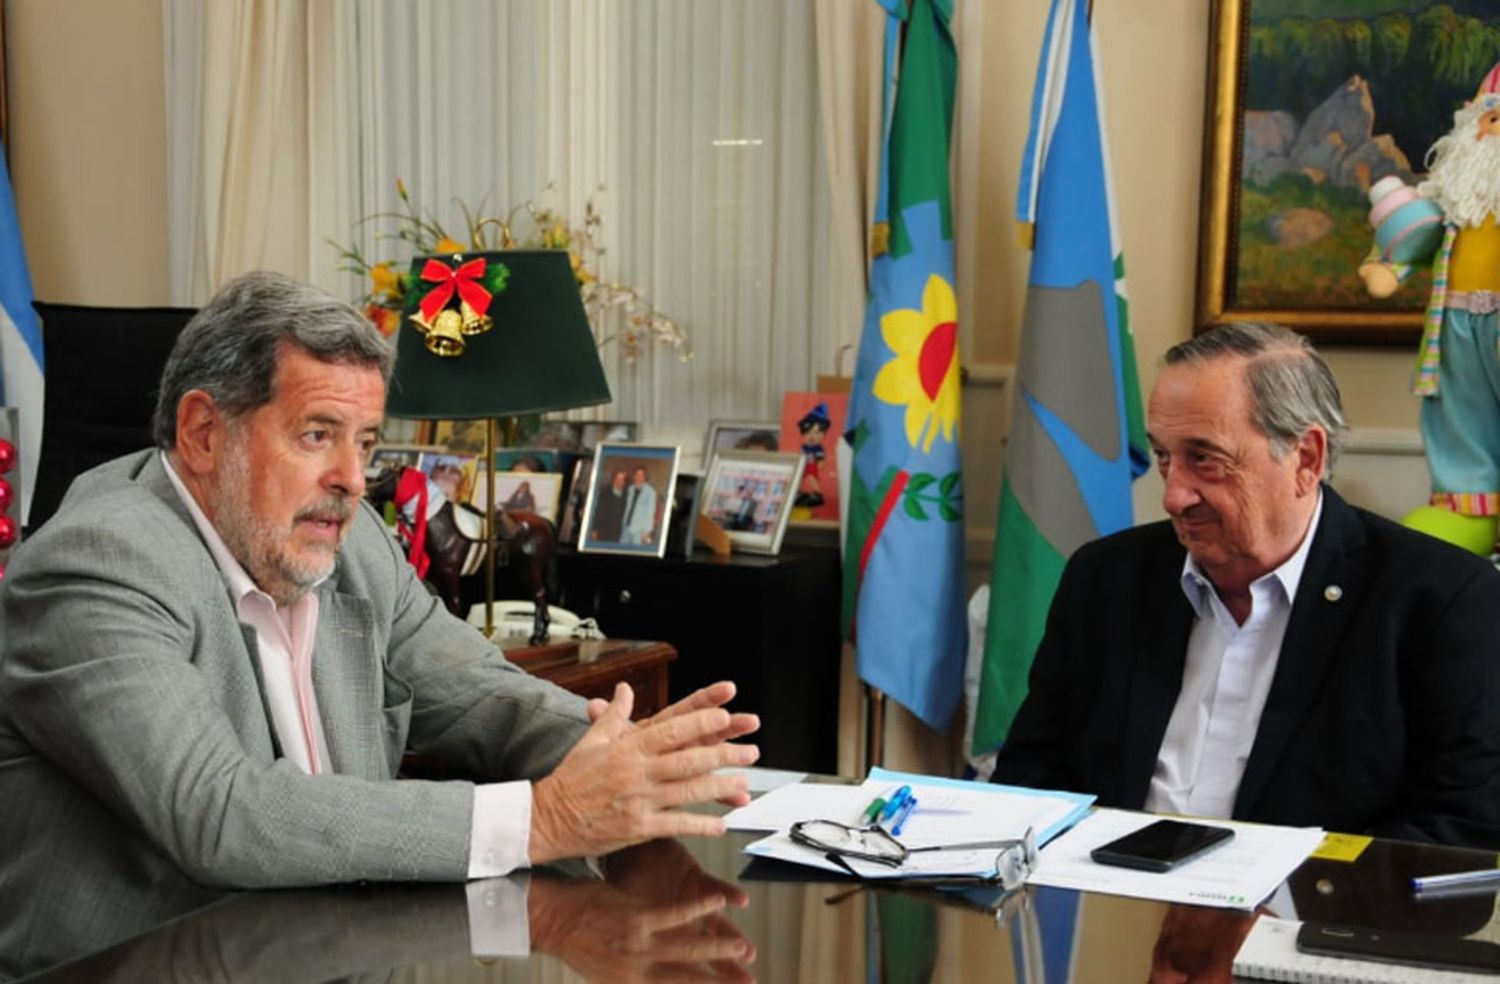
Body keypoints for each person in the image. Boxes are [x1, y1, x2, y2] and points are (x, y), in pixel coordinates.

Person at [0, 271, 759, 977]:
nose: (353, 481)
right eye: (317, 434)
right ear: (203, 433)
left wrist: (635, 760)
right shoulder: (97, 565)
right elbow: (221, 811)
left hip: (334, 952)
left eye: (363, 443)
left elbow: (478, 693)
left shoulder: (346, 536)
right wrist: (545, 818)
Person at [991, 321, 1500, 849]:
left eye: (1204, 459)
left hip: (1303, 920)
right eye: (1164, 456)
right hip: (1110, 907)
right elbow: (1032, 779)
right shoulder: (1106, 578)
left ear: (1305, 458)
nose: (1174, 496)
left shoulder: (1441, 600)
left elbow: (1461, 825)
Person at [1358, 63, 1500, 554]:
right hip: (1457, 329)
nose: (1491, 129)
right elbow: (1417, 232)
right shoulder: (1454, 194)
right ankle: (1467, 509)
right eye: (1487, 117)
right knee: (1461, 420)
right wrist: (1391, 269)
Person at [621, 466, 659, 545]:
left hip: (639, 530)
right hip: (626, 527)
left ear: (644, 477)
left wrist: (647, 531)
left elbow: (650, 513)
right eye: (637, 475)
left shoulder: (650, 492)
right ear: (634, 476)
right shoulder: (629, 489)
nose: (639, 477)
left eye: (641, 475)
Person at [590, 467, 629, 542]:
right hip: (603, 531)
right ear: (613, 480)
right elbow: (598, 512)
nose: (619, 482)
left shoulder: (626, 495)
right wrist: (594, 530)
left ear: (624, 482)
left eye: (621, 479)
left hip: (617, 534)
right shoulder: (604, 493)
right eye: (617, 479)